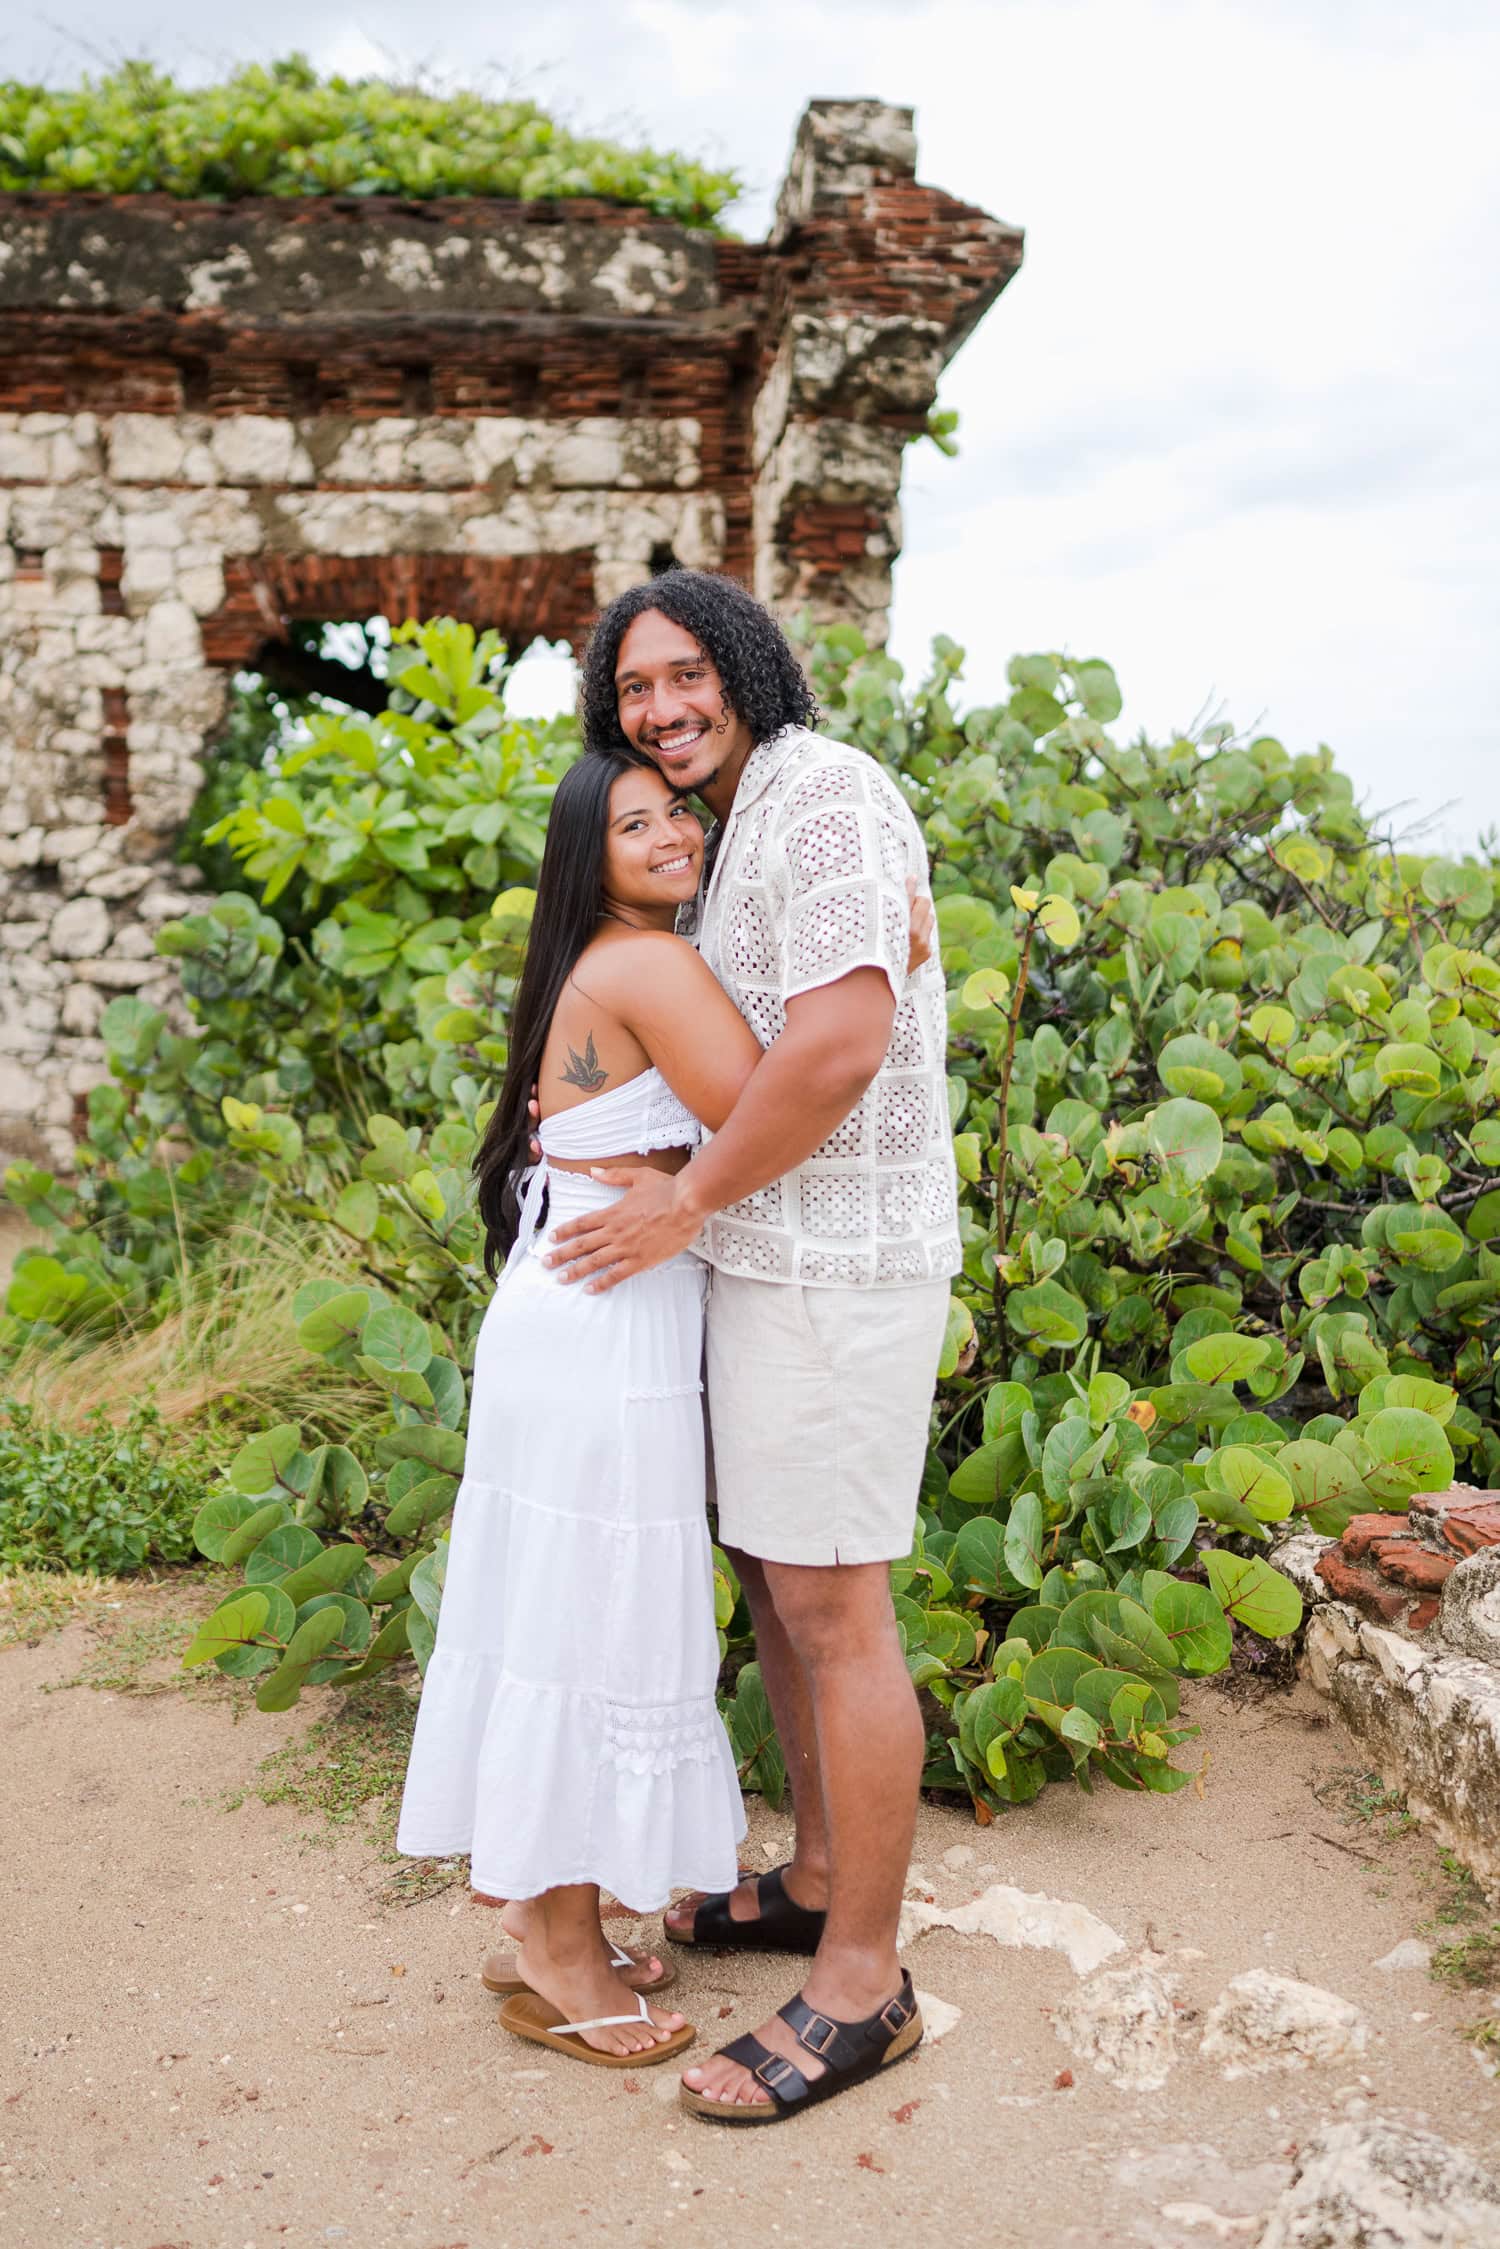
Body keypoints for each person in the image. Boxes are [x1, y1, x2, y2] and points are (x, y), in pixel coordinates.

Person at [545, 569, 960, 2124]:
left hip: (838, 1268)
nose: (660, 708)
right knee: (782, 1592)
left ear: (741, 659)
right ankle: (818, 1877)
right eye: (633, 694)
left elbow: (841, 1042)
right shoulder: (751, 821)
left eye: (679, 674)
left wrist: (683, 1203)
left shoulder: (829, 791)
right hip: (766, 1260)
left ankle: (864, 1984)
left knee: (840, 1609)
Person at [395, 749, 763, 2067]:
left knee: (573, 1608)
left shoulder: (618, 954)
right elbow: (769, 1105)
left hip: (589, 1312)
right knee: (581, 1615)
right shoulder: (647, 962)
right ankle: (548, 1939)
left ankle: (555, 1913)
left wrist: (672, 1166)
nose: (671, 831)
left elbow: (696, 1128)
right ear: (585, 851)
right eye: (634, 821)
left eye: (676, 808)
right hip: (601, 1331)